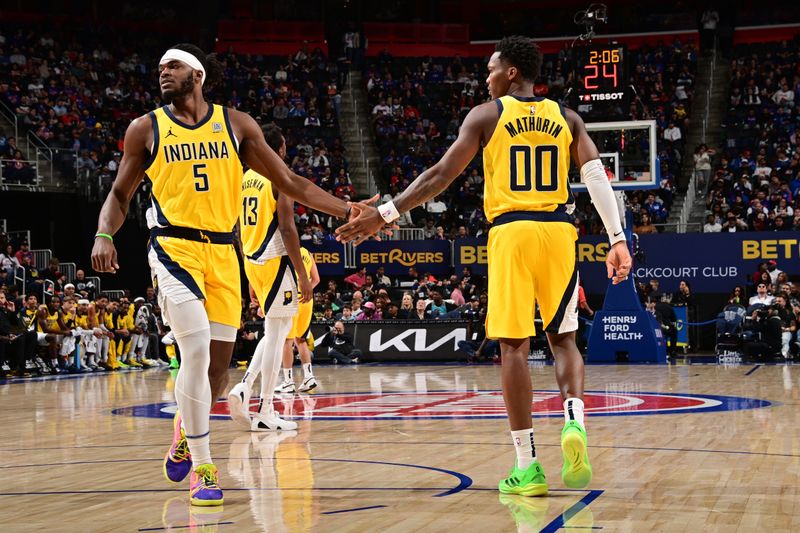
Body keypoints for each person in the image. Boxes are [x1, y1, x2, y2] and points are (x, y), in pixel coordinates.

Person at [337, 36, 631, 496]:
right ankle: (574, 418)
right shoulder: (567, 117)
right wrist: (617, 240)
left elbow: (439, 176)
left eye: (491, 69)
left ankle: (527, 466)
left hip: (511, 231)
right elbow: (596, 175)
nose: (486, 77)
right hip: (558, 231)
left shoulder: (487, 115)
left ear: (512, 72)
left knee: (514, 348)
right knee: (566, 339)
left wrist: (386, 214)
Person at [90, 44, 357, 507]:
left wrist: (348, 209)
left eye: (172, 66)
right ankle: (204, 467)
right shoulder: (145, 128)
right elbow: (119, 193)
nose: (162, 73)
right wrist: (104, 234)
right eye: (159, 68)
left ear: (197, 73)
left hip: (225, 253)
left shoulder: (237, 125)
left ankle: (183, 430)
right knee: (192, 354)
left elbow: (292, 183)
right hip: (173, 247)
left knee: (215, 375)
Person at [228, 124, 310, 432]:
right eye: (285, 146)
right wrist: (302, 275)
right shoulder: (279, 176)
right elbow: (287, 228)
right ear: (277, 149)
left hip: (252, 261)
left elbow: (238, 230)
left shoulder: (244, 179)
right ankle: (263, 407)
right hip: (275, 260)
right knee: (279, 335)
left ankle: (247, 388)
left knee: (274, 331)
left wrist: (248, 270)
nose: (286, 151)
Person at [272, 248, 320, 394]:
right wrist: (306, 291)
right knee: (301, 340)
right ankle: (309, 377)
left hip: (290, 298)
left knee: (287, 341)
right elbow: (316, 279)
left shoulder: (283, 251)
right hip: (306, 299)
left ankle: (288, 382)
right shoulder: (307, 253)